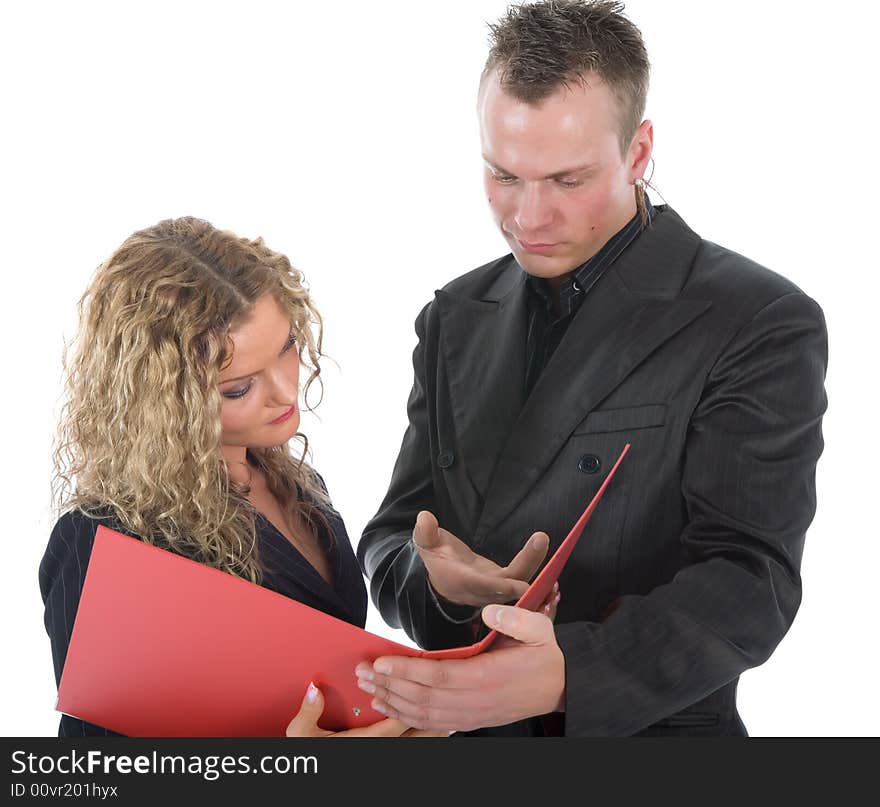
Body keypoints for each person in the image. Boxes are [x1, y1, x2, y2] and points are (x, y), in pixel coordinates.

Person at [355, 0, 828, 736]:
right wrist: (439, 583)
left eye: (567, 180)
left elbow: (751, 580)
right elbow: (390, 538)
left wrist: (569, 673)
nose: (528, 217)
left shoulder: (757, 319)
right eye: (503, 174)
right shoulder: (453, 314)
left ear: (639, 153)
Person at [39, 216, 443, 738]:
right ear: (164, 401)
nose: (285, 392)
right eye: (237, 388)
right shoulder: (102, 540)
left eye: (287, 348)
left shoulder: (299, 488)